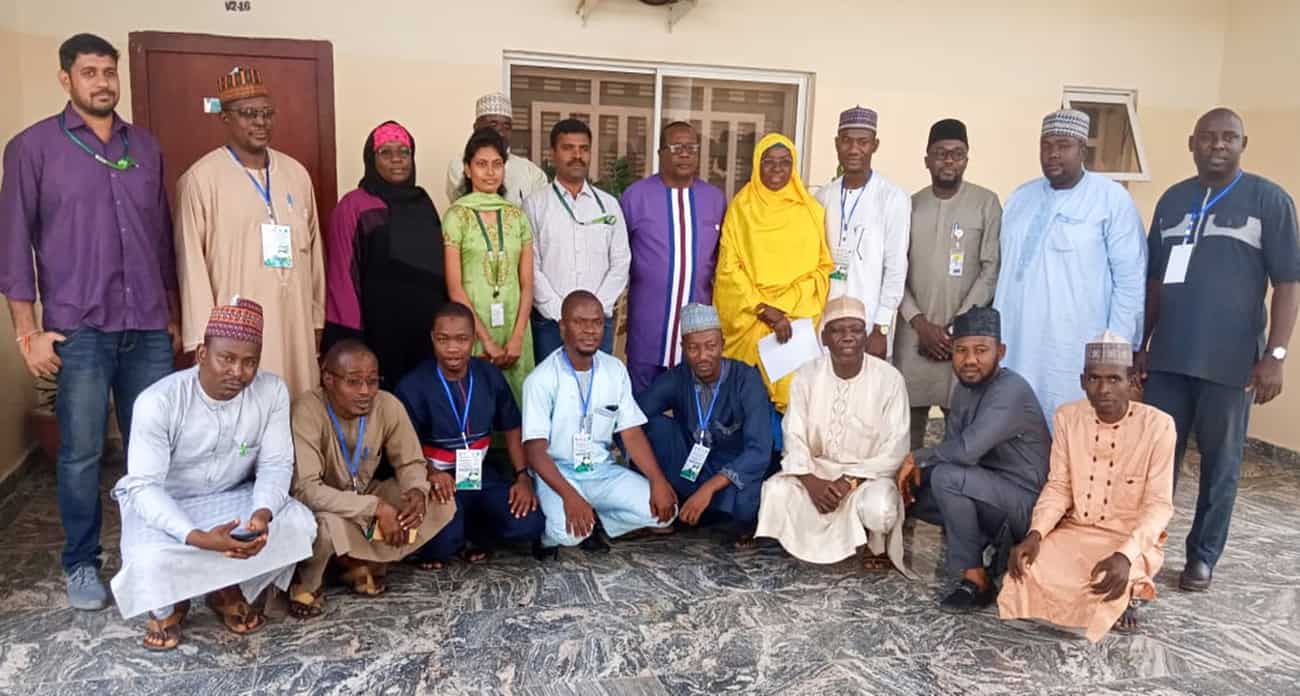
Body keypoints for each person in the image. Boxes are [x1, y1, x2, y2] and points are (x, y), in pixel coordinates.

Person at [0, 34, 179, 610]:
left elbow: (162, 238)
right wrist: (27, 332)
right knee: (79, 453)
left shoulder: (145, 147)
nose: (103, 82)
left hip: (148, 325)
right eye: (90, 72)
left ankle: (151, 557)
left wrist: (172, 314)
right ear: (66, 79)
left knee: (152, 452)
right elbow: (12, 247)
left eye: (109, 72)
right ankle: (81, 563)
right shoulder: (32, 149)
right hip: (79, 330)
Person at [1140, 108, 1300, 592]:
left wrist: (1274, 356)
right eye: (1208, 137)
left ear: (1243, 143)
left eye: (1228, 137)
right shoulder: (1172, 201)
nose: (1217, 145)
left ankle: (1202, 556)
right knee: (1156, 461)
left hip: (1230, 363)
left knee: (1220, 463)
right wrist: (1141, 345)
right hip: (1168, 357)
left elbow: (1288, 282)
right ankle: (1147, 548)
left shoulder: (1269, 200)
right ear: (1191, 143)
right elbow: (1153, 281)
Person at [109, 298, 317, 650]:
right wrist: (196, 537)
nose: (238, 372)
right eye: (227, 358)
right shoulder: (158, 401)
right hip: (165, 502)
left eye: (249, 361)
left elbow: (275, 464)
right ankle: (169, 604)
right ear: (202, 353)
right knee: (148, 558)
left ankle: (225, 589)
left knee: (299, 525)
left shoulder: (271, 391)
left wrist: (261, 514)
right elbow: (144, 487)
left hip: (231, 497)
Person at [999, 331, 1175, 640]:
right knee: (1026, 570)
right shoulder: (1069, 416)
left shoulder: (1159, 426)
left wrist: (1126, 554)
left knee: (1110, 577)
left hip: (1129, 537)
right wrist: (1035, 533)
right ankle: (1116, 598)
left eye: (1114, 379)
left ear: (1132, 380)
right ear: (1082, 381)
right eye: (1094, 379)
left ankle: (1130, 591)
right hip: (1076, 531)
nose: (1103, 389)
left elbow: (1159, 505)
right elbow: (1059, 486)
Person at [174, 66, 323, 397]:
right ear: (225, 118)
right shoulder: (201, 179)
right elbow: (191, 267)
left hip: (295, 324)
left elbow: (315, 256)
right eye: (248, 114)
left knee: (297, 407)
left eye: (267, 113)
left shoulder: (296, 174)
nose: (260, 122)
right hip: (234, 333)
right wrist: (203, 338)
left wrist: (316, 320)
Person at [993, 109, 1146, 427]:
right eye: (1046, 145)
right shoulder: (1021, 197)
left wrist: (1116, 349)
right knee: (1015, 417)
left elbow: (1130, 279)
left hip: (1074, 343)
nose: (1052, 153)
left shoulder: (1111, 200)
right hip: (1018, 338)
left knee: (1072, 422)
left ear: (1082, 149)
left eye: (1063, 145)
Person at [896, 306, 1050, 613]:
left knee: (945, 477)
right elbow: (953, 448)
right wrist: (918, 467)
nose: (970, 360)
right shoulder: (966, 388)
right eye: (961, 351)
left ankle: (976, 581)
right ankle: (985, 545)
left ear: (1001, 351)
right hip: (988, 489)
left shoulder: (1011, 389)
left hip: (1024, 504)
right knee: (912, 489)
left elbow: (965, 451)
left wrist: (917, 455)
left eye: (981, 350)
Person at [288, 339, 454, 617]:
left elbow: (410, 461)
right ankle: (308, 583)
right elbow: (306, 489)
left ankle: (355, 561)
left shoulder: (387, 404)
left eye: (372, 381)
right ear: (328, 379)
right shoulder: (307, 410)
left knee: (441, 501)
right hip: (329, 506)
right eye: (353, 382)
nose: (365, 391)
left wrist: (416, 490)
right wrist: (376, 508)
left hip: (365, 495)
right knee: (325, 528)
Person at [755, 297, 915, 576]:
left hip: (867, 477)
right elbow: (793, 434)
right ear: (824, 338)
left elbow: (896, 448)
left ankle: (874, 542)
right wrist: (810, 480)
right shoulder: (806, 375)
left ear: (865, 336)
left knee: (880, 509)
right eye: (838, 330)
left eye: (855, 330)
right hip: (817, 470)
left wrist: (849, 481)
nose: (847, 337)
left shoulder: (890, 379)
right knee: (776, 491)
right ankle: (802, 540)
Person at [522, 290, 677, 553]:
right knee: (567, 535)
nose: (590, 330)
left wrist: (657, 480)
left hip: (601, 471)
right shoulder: (541, 379)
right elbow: (535, 452)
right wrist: (570, 497)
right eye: (579, 322)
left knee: (666, 511)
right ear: (562, 327)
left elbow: (631, 433)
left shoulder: (615, 369)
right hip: (559, 473)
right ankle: (550, 535)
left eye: (595, 322)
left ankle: (597, 521)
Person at [396, 303, 544, 568]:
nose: (452, 348)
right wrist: (429, 473)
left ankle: (473, 528)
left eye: (462, 339)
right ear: (432, 338)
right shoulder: (413, 385)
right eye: (443, 339)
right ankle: (460, 533)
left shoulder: (488, 375)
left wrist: (522, 476)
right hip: (438, 479)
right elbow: (403, 447)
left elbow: (511, 425)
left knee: (529, 523)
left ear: (474, 339)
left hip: (478, 472)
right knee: (443, 544)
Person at [897, 119, 1002, 450]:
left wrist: (956, 327)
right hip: (913, 332)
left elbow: (991, 268)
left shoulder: (986, 203)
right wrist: (919, 322)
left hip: (963, 335)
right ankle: (905, 495)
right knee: (906, 427)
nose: (948, 160)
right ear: (926, 159)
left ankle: (948, 491)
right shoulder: (908, 205)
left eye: (957, 154)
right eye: (940, 153)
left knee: (961, 422)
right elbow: (894, 269)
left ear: (966, 160)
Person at [714, 132, 834, 412]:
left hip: (793, 324)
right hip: (750, 318)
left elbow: (821, 268)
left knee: (791, 405)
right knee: (742, 399)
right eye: (769, 162)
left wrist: (781, 309)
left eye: (785, 162)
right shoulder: (741, 209)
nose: (777, 169)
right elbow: (729, 268)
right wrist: (763, 308)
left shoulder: (811, 211)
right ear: (757, 164)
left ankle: (784, 456)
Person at [322, 120, 447, 388]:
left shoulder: (423, 201)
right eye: (386, 153)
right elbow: (342, 275)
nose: (397, 160)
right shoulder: (355, 205)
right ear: (371, 158)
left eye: (404, 152)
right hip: (377, 332)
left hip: (424, 331)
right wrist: (350, 338)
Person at [637, 304, 773, 541]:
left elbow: (759, 450)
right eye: (693, 348)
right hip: (690, 467)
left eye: (711, 346)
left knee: (744, 504)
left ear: (723, 343)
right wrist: (657, 480)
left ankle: (706, 511)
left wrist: (708, 488)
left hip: (729, 474)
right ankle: (675, 501)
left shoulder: (746, 378)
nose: (703, 356)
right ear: (682, 349)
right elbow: (632, 419)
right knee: (653, 427)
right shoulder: (678, 377)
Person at [621, 122, 726, 391]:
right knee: (641, 409)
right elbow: (619, 257)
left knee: (692, 414)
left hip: (696, 334)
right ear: (660, 153)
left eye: (691, 148)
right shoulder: (636, 196)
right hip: (648, 327)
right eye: (677, 147)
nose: (685, 154)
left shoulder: (714, 199)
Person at [442, 127, 537, 401]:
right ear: (468, 170)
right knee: (477, 404)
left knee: (518, 410)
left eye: (497, 164)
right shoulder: (457, 216)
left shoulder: (517, 217)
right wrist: (486, 340)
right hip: (473, 328)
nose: (490, 172)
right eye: (481, 164)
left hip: (515, 327)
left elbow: (527, 284)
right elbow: (455, 288)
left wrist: (518, 336)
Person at [523, 119, 630, 361]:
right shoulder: (535, 204)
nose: (577, 155)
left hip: (597, 325)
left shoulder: (609, 205)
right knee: (551, 392)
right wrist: (560, 313)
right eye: (568, 148)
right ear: (553, 153)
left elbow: (621, 261)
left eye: (583, 149)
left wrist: (595, 311)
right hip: (551, 323)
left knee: (595, 394)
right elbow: (531, 265)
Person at [814, 106, 910, 360]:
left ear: (874, 145)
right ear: (836, 144)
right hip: (827, 322)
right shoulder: (823, 196)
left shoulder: (892, 197)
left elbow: (896, 266)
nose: (854, 149)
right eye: (846, 141)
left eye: (863, 142)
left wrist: (881, 327)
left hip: (869, 326)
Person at [444, 92, 547, 207]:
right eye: (493, 125)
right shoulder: (460, 165)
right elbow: (466, 208)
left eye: (507, 126)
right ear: (476, 127)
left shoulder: (531, 172)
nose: (501, 132)